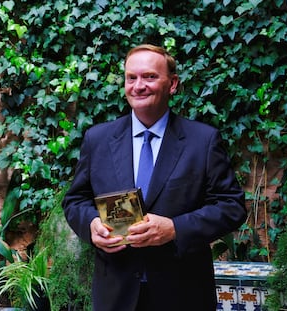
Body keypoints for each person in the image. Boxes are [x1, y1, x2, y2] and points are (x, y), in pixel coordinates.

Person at [62, 44, 246, 311]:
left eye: (149, 76)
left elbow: (232, 206)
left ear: (172, 84)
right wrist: (91, 225)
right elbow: (75, 200)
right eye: (131, 78)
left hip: (183, 293)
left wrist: (175, 229)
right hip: (115, 294)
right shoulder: (98, 139)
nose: (138, 86)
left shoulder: (202, 141)